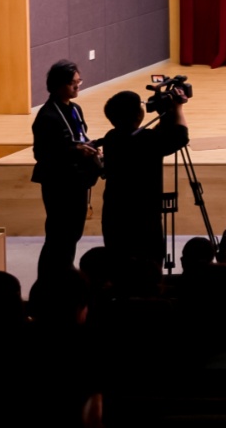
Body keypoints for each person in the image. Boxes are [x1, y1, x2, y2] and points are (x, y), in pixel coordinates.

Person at [96, 86, 189, 287]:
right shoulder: (147, 140)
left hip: (115, 214)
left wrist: (166, 115)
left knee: (120, 267)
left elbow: (152, 138)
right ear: (138, 114)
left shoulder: (112, 137)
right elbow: (180, 136)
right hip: (144, 216)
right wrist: (178, 108)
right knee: (149, 268)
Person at [31, 59, 100, 280]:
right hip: (59, 183)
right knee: (59, 235)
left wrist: (89, 148)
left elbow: (79, 137)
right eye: (72, 83)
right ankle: (49, 281)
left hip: (78, 180)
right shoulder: (47, 116)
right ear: (58, 85)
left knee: (73, 234)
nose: (77, 86)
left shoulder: (75, 109)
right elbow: (42, 153)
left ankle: (64, 274)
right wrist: (76, 150)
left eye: (79, 81)